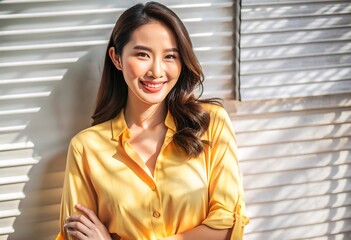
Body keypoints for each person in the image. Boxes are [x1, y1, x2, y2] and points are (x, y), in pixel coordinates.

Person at [56, 1, 249, 240]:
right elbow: (76, 236)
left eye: (170, 56)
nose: (156, 71)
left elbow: (227, 225)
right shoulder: (86, 148)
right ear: (116, 59)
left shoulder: (211, 124)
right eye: (142, 55)